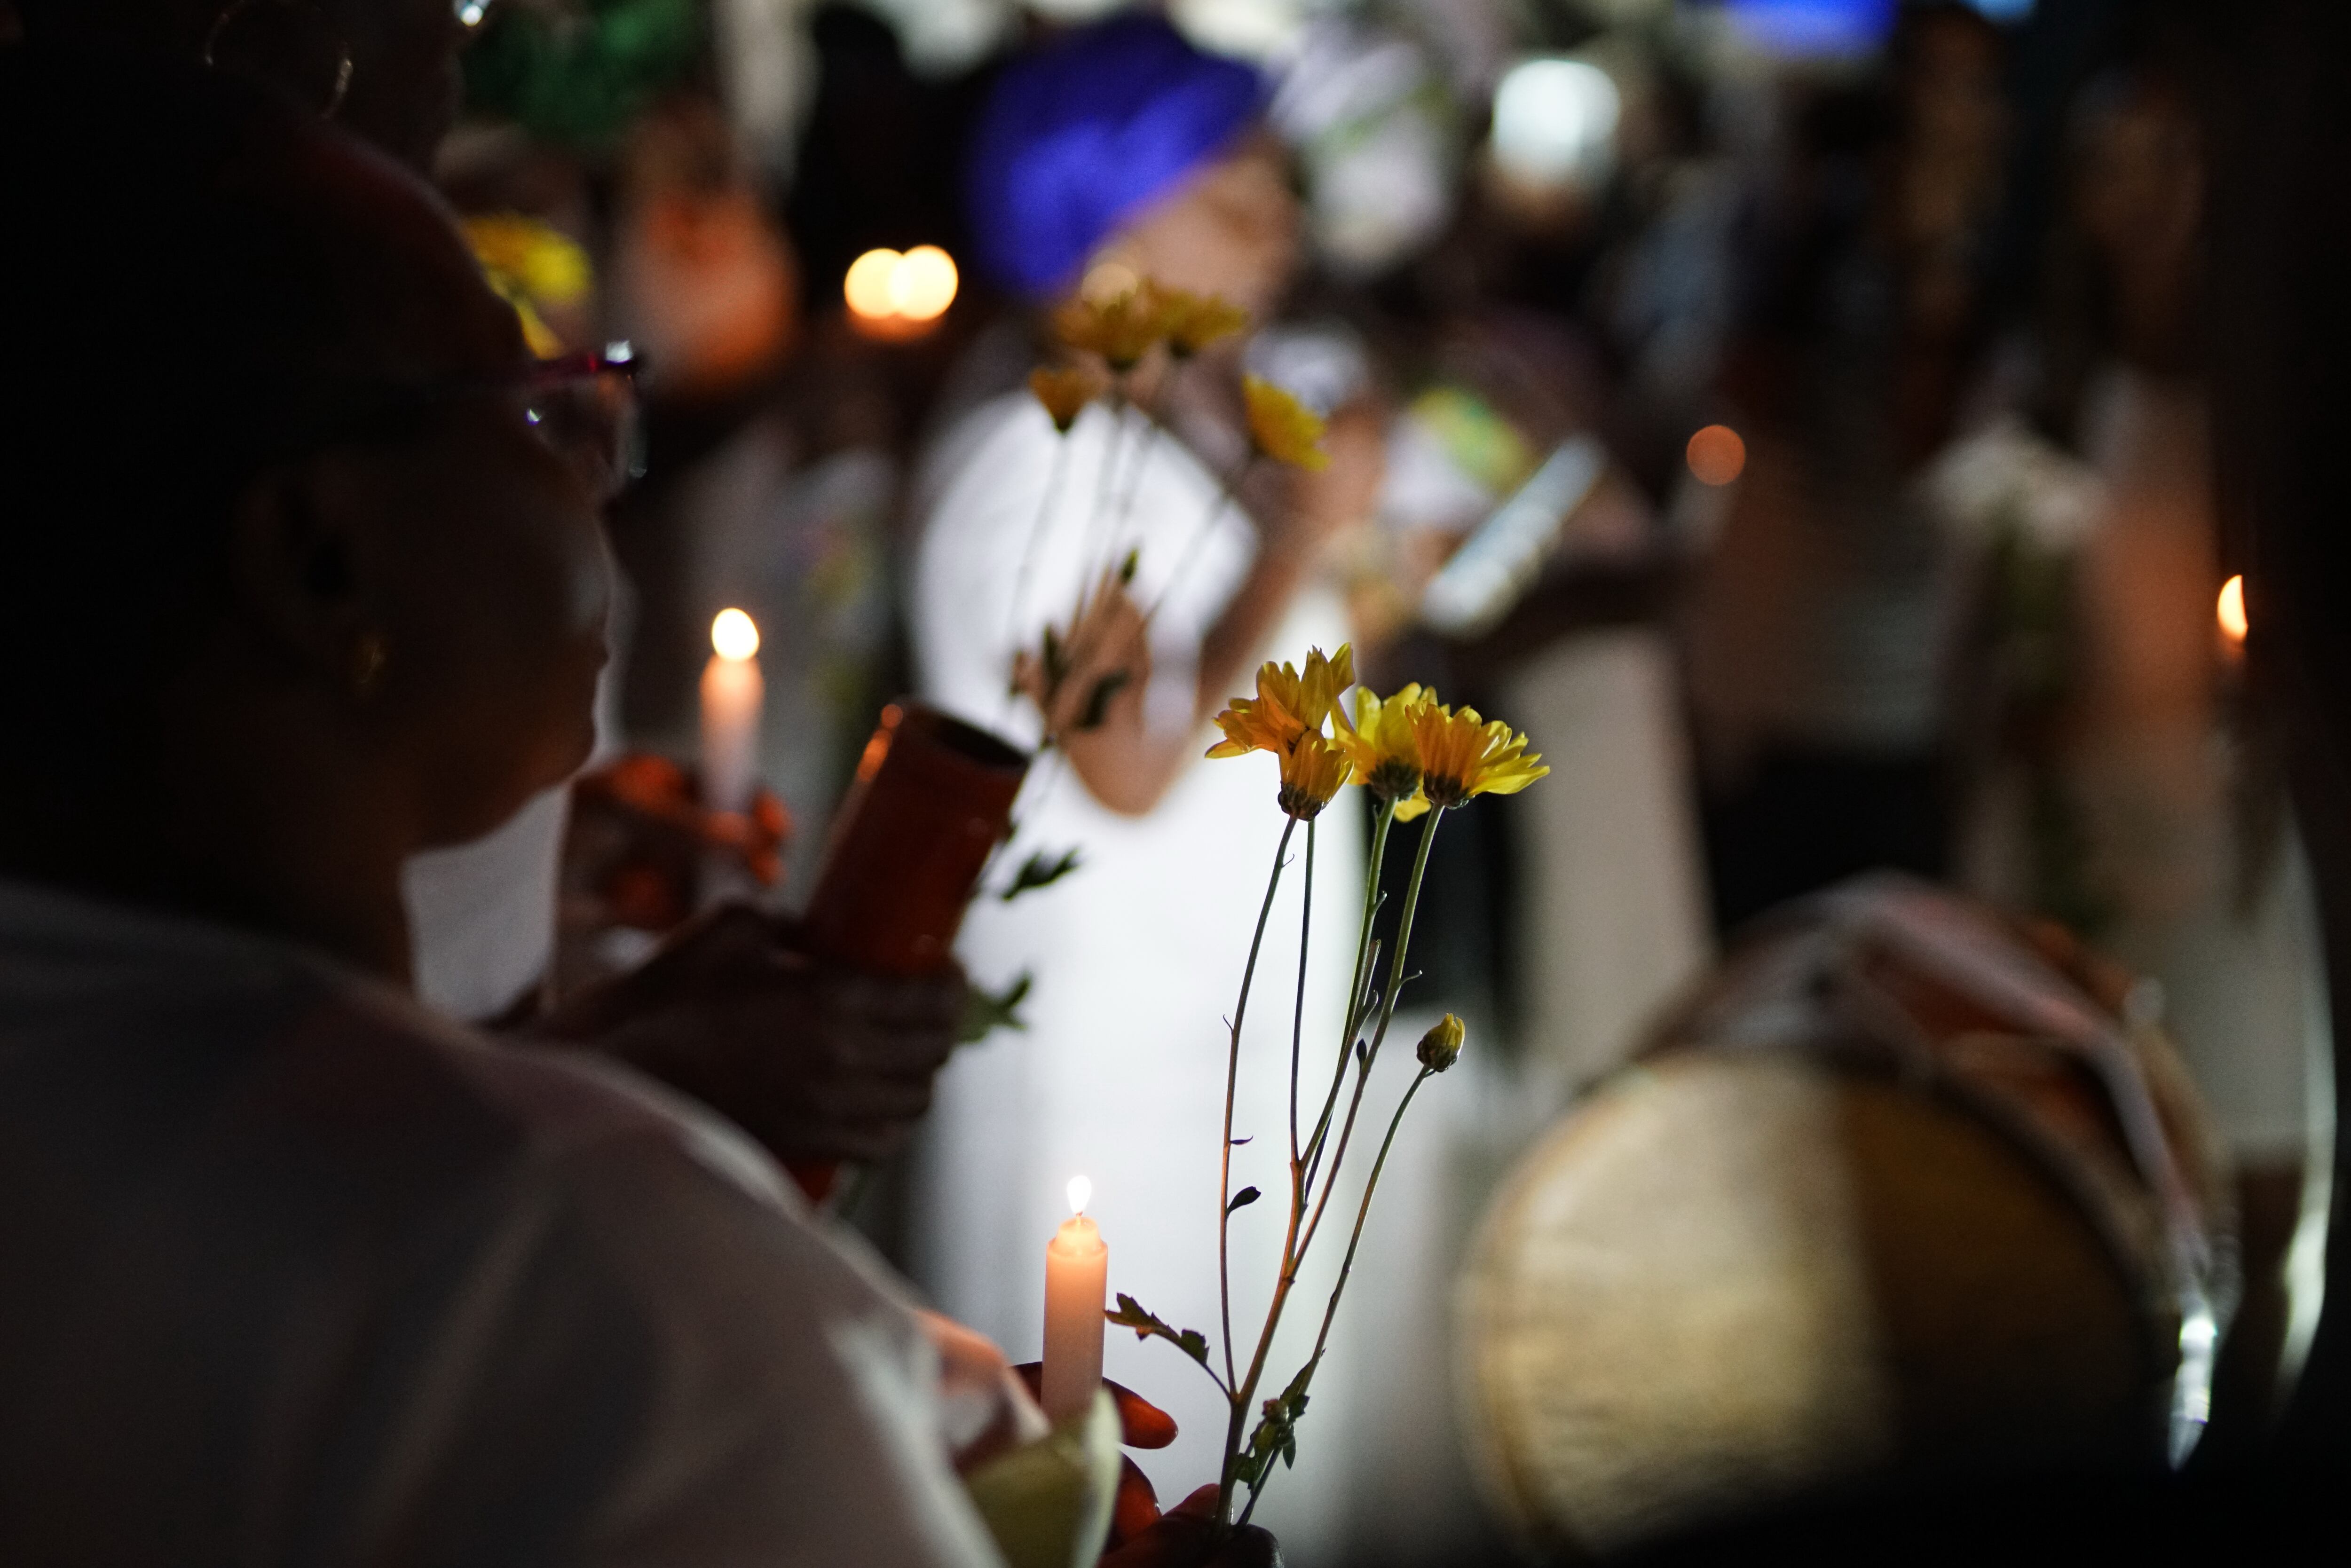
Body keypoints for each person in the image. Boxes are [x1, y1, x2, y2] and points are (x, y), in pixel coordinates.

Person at [4, 0, 969, 1175]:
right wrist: (630, 1082)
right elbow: (267, 1180)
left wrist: (543, 869)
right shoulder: (165, 369)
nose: (467, 30)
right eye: (515, 412)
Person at [904, 16, 1384, 1543]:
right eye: (1236, 190)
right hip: (1119, 1083)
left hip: (1197, 1052)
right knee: (1120, 1481)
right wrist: (1304, 542)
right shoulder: (1043, 463)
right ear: (1106, 219)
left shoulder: (1129, 434)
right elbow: (1126, 770)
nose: (1281, 227)